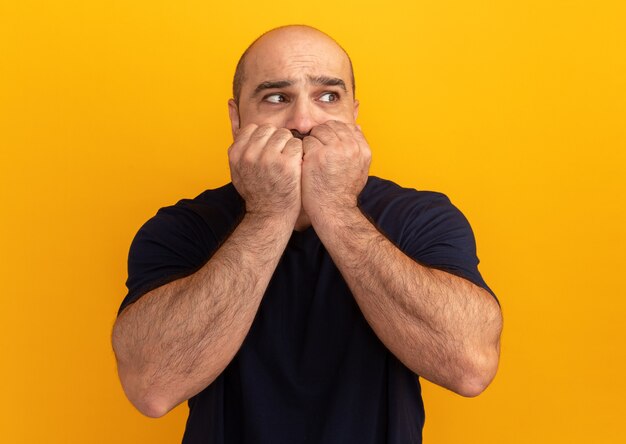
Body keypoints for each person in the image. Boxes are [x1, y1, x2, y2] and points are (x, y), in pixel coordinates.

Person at [112, 25, 503, 443]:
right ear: (236, 118)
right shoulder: (181, 227)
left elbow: (470, 367)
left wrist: (335, 208)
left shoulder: (419, 216)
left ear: (353, 113)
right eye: (276, 97)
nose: (302, 121)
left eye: (328, 97)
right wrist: (268, 214)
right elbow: (152, 389)